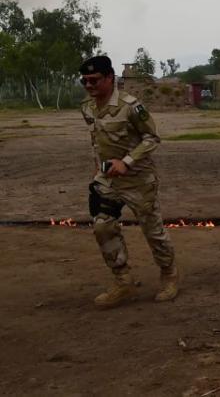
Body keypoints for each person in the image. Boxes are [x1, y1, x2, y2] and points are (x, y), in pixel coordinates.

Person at [79, 55, 179, 308]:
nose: (89, 86)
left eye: (94, 80)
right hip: (108, 181)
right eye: (85, 81)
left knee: (153, 232)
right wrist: (97, 170)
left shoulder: (131, 106)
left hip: (139, 180)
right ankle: (122, 281)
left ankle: (169, 276)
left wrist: (127, 161)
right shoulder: (87, 107)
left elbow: (152, 138)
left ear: (110, 77)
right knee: (102, 226)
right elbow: (96, 140)